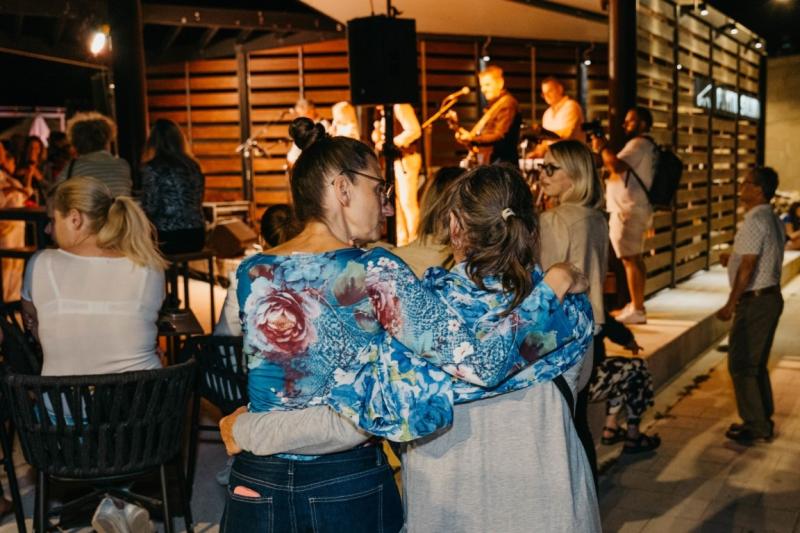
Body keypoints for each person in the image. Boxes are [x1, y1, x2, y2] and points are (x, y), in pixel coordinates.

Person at [218, 118, 593, 532]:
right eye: (379, 189)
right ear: (343, 188)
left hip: (257, 477)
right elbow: (482, 363)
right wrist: (555, 283)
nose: (387, 205)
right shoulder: (376, 271)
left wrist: (250, 429)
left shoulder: (252, 271)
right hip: (342, 481)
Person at [20, 175, 165, 376]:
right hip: (141, 392)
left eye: (53, 220)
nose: (47, 229)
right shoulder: (149, 265)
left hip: (64, 395)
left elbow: (35, 323)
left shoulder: (41, 263)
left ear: (75, 219)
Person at [716, 167, 784, 444]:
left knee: (742, 364)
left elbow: (749, 265)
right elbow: (753, 258)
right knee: (756, 364)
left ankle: (756, 425)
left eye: (746, 182)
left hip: (755, 302)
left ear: (758, 190)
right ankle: (762, 417)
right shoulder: (771, 217)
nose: (741, 186)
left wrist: (730, 304)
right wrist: (731, 259)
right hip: (769, 298)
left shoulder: (754, 220)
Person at [592, 106, 656, 324]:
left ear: (643, 123)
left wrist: (602, 147)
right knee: (635, 258)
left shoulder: (638, 144)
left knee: (629, 259)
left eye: (630, 120)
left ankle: (637, 309)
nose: (625, 124)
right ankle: (637, 305)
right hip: (634, 208)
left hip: (628, 209)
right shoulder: (646, 145)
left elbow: (616, 165)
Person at [139, 118, 206, 255]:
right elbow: (198, 199)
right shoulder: (193, 166)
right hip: (197, 236)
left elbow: (150, 207)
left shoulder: (152, 168)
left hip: (167, 237)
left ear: (153, 141)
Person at [372, 103, 422, 245]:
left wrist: (392, 142)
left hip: (406, 159)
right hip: (394, 161)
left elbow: (414, 130)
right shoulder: (383, 112)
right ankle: (402, 240)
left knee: (407, 202)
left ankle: (414, 239)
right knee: (397, 204)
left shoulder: (400, 106)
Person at [453, 65, 521, 166]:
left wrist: (472, 139)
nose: (483, 90)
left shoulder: (508, 104)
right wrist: (467, 136)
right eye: (482, 86)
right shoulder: (494, 106)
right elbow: (488, 134)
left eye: (487, 85)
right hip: (492, 163)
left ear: (500, 83)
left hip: (501, 165)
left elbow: (499, 136)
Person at [57, 112, 132, 197]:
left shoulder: (73, 167)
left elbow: (55, 195)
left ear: (76, 143)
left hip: (87, 205)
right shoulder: (122, 165)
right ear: (106, 139)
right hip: (118, 206)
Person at [285, 98, 330, 168]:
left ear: (311, 111)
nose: (300, 117)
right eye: (299, 114)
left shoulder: (323, 124)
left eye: (303, 114)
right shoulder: (304, 125)